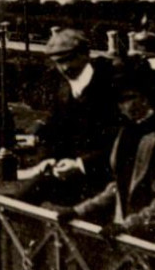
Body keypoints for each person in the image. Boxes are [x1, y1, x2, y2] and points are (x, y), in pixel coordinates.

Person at [57, 61, 155, 254]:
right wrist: (79, 210)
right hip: (134, 239)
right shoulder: (126, 134)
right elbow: (118, 185)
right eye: (119, 100)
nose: (122, 106)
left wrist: (128, 225)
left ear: (148, 97)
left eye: (129, 98)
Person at [16, 28, 123, 208]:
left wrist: (81, 165)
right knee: (17, 204)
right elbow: (53, 131)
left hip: (106, 177)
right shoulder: (63, 89)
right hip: (69, 174)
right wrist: (47, 158)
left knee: (87, 223)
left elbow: (120, 140)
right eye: (58, 62)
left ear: (85, 55)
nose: (64, 68)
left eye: (68, 60)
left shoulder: (111, 83)